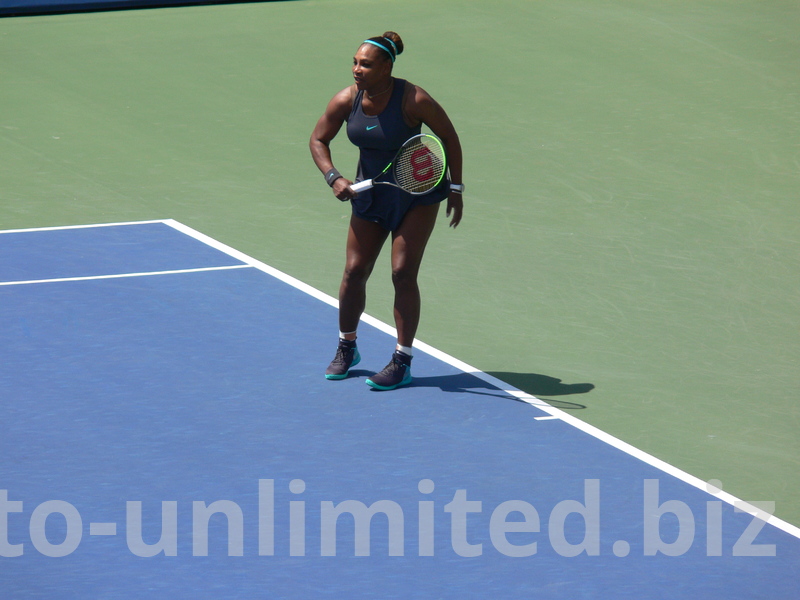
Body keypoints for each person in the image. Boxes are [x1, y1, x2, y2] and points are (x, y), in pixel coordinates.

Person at [309, 31, 464, 391]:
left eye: (366, 64)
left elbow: (449, 137)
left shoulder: (415, 99)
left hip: (418, 194)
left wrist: (455, 188)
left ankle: (402, 360)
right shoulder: (347, 99)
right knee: (353, 271)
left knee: (402, 273)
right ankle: (347, 347)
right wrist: (333, 176)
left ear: (387, 67)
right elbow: (318, 139)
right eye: (355, 62)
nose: (356, 70)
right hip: (373, 194)